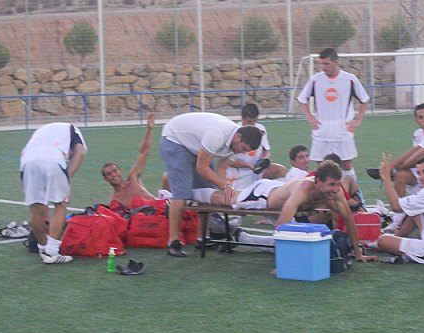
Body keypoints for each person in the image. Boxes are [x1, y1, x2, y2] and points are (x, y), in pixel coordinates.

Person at [193, 161, 378, 262]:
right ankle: (190, 193)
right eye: (331, 184)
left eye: (337, 185)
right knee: (227, 200)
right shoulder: (303, 190)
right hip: (263, 196)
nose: (335, 189)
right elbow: (282, 224)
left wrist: (357, 252)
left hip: (278, 191)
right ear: (318, 181)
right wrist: (283, 264)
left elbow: (349, 220)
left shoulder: (335, 194)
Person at [159, 112, 263, 257]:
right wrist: (226, 187)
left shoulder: (235, 143)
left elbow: (222, 167)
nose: (242, 152)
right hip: (174, 139)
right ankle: (173, 242)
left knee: (207, 189)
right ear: (238, 137)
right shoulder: (217, 134)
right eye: (244, 149)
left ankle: (203, 238)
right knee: (182, 193)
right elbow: (202, 167)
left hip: (194, 145)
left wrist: (225, 192)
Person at [368, 103, 424, 233]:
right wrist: (400, 167)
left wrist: (393, 165)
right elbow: (416, 158)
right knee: (401, 176)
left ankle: (391, 170)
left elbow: (421, 150)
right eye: (421, 117)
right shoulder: (417, 134)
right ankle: (397, 221)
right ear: (416, 120)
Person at [297, 47, 370, 183]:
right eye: (321, 64)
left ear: (336, 62)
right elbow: (302, 99)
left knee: (346, 164)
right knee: (322, 167)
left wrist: (358, 120)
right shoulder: (316, 80)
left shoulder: (350, 79)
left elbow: (364, 100)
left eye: (326, 64)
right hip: (322, 130)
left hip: (342, 130)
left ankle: (353, 194)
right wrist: (310, 117)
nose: (323, 67)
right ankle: (324, 199)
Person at [20, 123, 88, 264]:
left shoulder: (43, 131)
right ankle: (52, 253)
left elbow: (24, 152)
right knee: (61, 204)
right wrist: (67, 177)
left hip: (27, 161)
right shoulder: (73, 129)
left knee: (35, 209)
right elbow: (80, 152)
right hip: (52, 158)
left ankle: (43, 249)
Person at [217, 103, 286, 190]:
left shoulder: (260, 129)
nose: (252, 124)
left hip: (257, 170)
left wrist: (264, 159)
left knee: (280, 170)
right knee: (237, 197)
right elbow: (226, 162)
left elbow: (266, 149)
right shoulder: (236, 132)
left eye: (254, 121)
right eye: (249, 121)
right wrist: (248, 165)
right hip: (239, 172)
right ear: (243, 118)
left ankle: (279, 194)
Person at [101, 112, 156, 211]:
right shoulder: (114, 201)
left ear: (120, 171)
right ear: (105, 179)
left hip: (159, 209)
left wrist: (150, 129)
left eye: (115, 171)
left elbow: (144, 152)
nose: (113, 175)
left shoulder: (133, 179)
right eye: (109, 174)